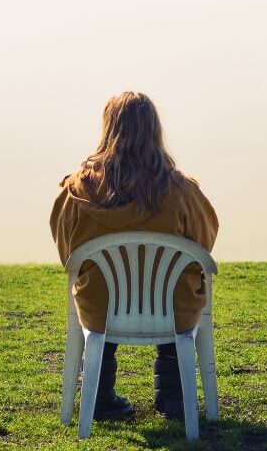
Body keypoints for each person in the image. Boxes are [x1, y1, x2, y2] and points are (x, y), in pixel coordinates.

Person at [50, 91, 218, 420]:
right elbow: (203, 244)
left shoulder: (77, 191)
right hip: (172, 308)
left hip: (101, 307)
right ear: (155, 131)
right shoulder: (182, 190)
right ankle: (173, 398)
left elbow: (66, 252)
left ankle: (98, 398)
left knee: (103, 288)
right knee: (174, 290)